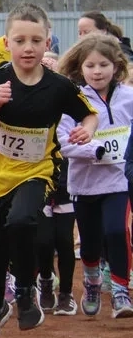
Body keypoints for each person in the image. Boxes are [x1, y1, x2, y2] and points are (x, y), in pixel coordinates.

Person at [0, 3, 97, 338]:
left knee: (22, 220)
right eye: (20, 40)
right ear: (8, 43)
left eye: (36, 40)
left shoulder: (59, 86)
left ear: (48, 42)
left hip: (38, 170)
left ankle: (23, 291)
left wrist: (88, 129)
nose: (28, 47)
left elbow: (88, 113)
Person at [56, 33, 133, 318]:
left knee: (117, 230)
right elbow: (61, 142)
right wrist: (94, 149)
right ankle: (91, 281)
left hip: (119, 180)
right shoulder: (72, 100)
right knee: (89, 242)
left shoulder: (129, 97)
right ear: (80, 68)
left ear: (116, 66)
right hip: (85, 184)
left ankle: (121, 291)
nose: (97, 71)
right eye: (90, 66)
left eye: (103, 64)